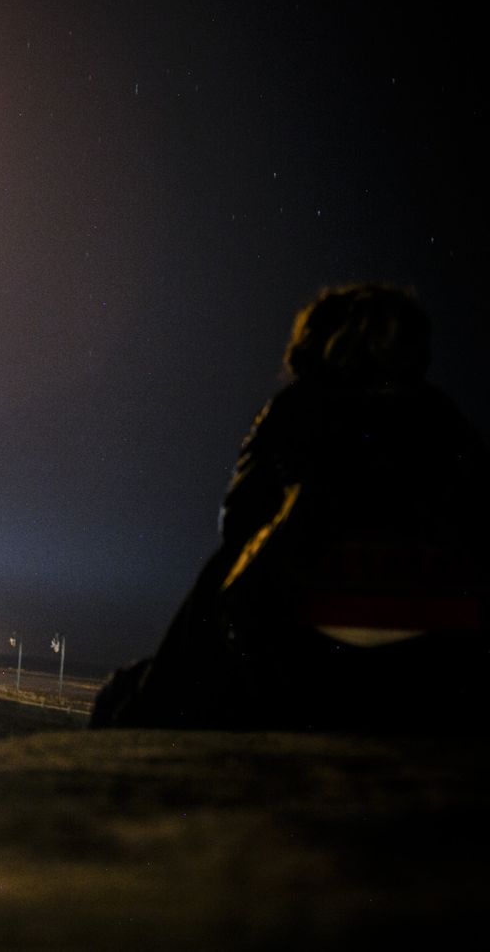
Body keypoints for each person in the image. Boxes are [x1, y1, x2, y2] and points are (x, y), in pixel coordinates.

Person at [92, 284, 489, 730]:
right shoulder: (445, 420)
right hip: (436, 667)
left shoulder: (299, 407)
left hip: (301, 657)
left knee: (209, 597)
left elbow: (240, 518)